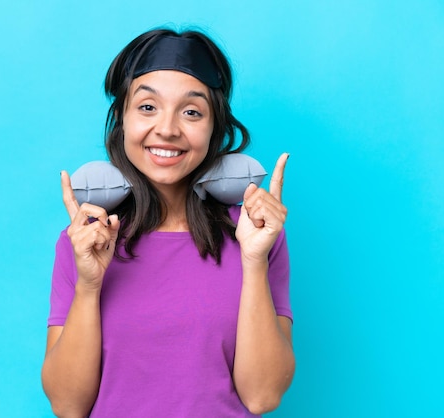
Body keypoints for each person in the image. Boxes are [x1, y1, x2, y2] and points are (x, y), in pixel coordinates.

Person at [41, 27, 295, 418]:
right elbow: (67, 405)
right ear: (122, 119)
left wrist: (254, 260)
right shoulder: (83, 241)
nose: (168, 129)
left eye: (192, 111)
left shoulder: (256, 237)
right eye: (147, 107)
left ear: (215, 130)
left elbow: (262, 397)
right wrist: (89, 285)